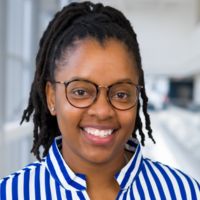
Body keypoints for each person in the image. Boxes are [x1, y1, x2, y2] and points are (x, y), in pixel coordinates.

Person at [0, 1, 199, 199]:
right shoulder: (10, 193)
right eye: (80, 92)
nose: (103, 111)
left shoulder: (184, 192)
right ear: (52, 97)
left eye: (121, 94)